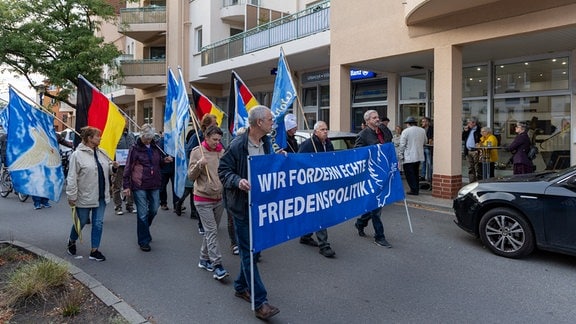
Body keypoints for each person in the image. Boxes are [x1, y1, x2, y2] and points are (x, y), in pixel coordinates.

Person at [218, 105, 280, 320]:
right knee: (247, 252)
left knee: (254, 251)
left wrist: (283, 161)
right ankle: (260, 301)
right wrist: (238, 181)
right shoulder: (237, 145)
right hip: (242, 208)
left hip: (261, 206)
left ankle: (240, 286)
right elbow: (223, 171)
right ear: (259, 123)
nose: (273, 122)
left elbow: (270, 169)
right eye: (270, 119)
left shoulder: (267, 143)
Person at [66, 126, 118, 262]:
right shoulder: (77, 155)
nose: (100, 138)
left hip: (101, 195)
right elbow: (72, 177)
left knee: (98, 223)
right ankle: (72, 240)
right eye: (97, 136)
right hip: (85, 195)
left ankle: (94, 250)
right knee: (81, 221)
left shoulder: (103, 152)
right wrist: (71, 195)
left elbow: (107, 170)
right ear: (89, 138)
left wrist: (113, 168)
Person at [123, 124, 173, 252]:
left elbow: (157, 163)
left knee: (154, 209)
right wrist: (126, 185)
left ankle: (144, 228)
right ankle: (143, 240)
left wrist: (164, 161)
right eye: (146, 139)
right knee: (142, 213)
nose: (148, 141)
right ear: (142, 136)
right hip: (139, 184)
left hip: (154, 182)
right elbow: (128, 166)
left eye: (150, 138)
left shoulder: (155, 147)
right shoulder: (134, 149)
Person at [189, 126, 229, 280]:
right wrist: (199, 164)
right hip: (202, 198)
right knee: (212, 231)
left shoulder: (221, 151)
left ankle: (203, 259)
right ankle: (217, 265)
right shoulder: (197, 151)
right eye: (214, 139)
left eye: (219, 140)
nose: (217, 142)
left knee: (210, 231)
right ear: (206, 137)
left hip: (219, 197)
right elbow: (191, 176)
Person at [353, 109, 392, 248]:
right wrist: (374, 150)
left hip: (386, 172)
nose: (377, 119)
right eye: (374, 118)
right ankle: (379, 236)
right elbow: (358, 154)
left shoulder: (384, 130)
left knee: (376, 205)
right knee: (377, 206)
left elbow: (390, 145)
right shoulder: (363, 135)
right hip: (372, 175)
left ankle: (361, 222)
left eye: (378, 117)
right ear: (367, 121)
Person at [297, 121, 336, 258]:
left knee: (314, 211)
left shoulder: (329, 144)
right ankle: (324, 245)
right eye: (322, 129)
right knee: (321, 212)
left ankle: (305, 236)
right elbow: (298, 162)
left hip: (324, 183)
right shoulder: (308, 144)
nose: (325, 131)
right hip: (311, 184)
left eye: (327, 129)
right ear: (315, 132)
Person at [399, 117, 427, 196]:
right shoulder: (422, 130)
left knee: (409, 174)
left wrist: (400, 155)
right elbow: (425, 141)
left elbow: (402, 145)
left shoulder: (405, 131)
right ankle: (416, 188)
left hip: (408, 157)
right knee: (415, 173)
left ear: (408, 124)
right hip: (418, 156)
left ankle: (413, 190)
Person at [112, 125, 136, 215]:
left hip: (130, 165)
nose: (125, 124)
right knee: (117, 186)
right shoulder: (115, 135)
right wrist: (114, 161)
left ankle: (130, 205)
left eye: (126, 122)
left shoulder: (131, 135)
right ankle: (118, 207)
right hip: (119, 165)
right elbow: (111, 149)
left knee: (131, 186)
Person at [159, 132, 179, 211]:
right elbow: (159, 152)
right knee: (162, 187)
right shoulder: (162, 141)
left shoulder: (176, 140)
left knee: (175, 187)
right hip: (164, 168)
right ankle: (163, 203)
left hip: (174, 167)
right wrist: (165, 158)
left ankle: (176, 205)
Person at [462, 117, 482, 182]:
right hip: (468, 151)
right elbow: (462, 138)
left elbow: (481, 140)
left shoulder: (479, 130)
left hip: (475, 151)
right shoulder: (468, 130)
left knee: (477, 168)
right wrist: (465, 131)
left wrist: (478, 148)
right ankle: (471, 182)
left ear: (474, 123)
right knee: (470, 168)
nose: (468, 124)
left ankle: (479, 182)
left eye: (469, 123)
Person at [420, 117, 433, 181]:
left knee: (429, 162)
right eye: (422, 121)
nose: (423, 123)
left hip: (428, 147)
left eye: (424, 121)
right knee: (423, 162)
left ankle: (431, 177)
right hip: (422, 147)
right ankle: (423, 176)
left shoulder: (431, 128)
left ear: (428, 122)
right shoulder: (421, 129)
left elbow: (431, 138)